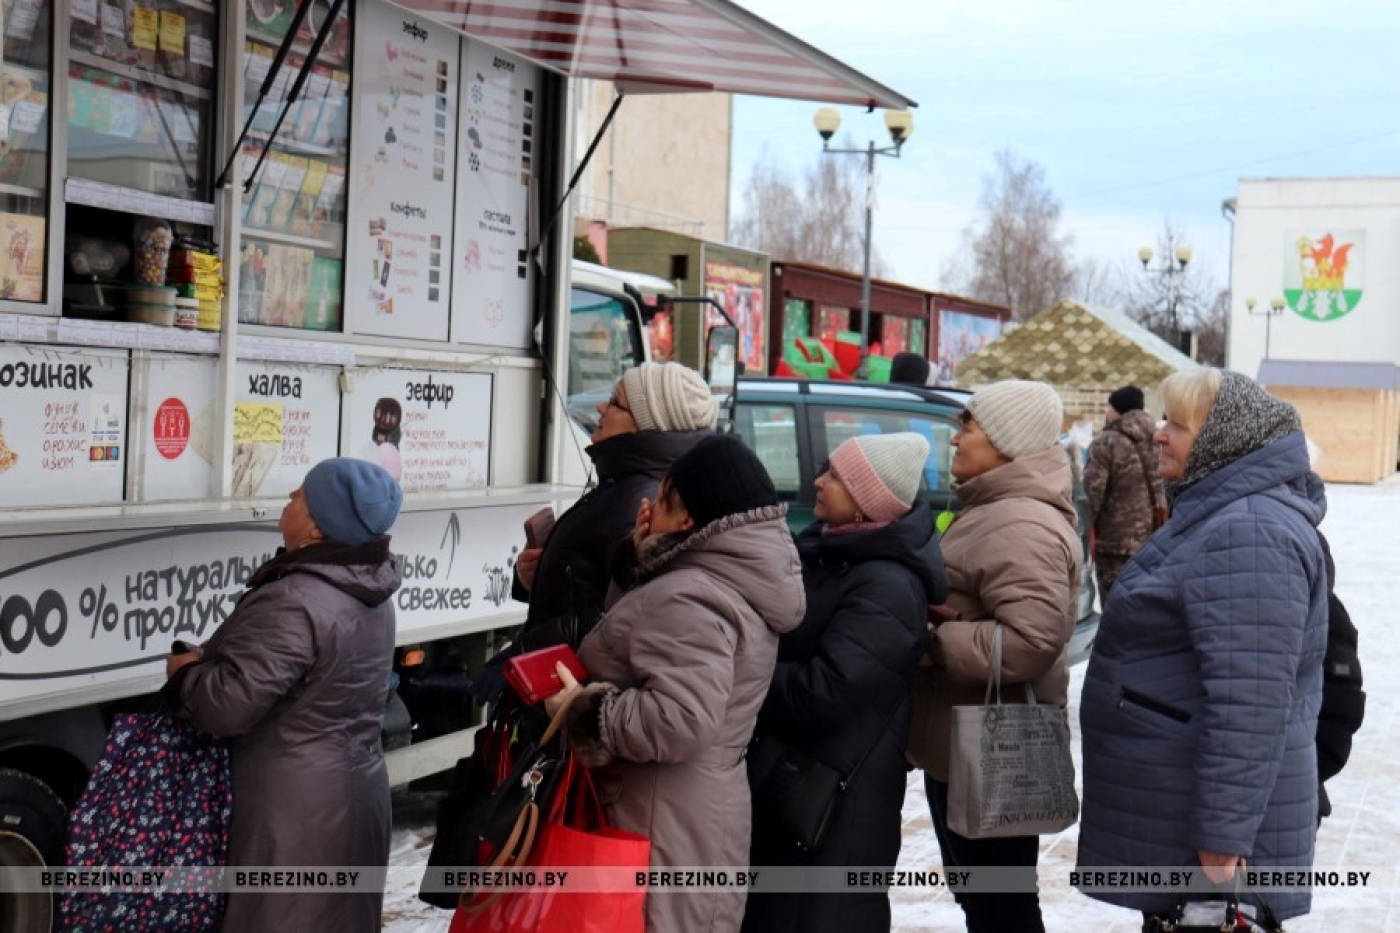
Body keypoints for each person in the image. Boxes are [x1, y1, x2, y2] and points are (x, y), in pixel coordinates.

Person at [1076, 369, 1328, 926]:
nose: (1159, 434)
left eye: (1177, 424)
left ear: (1221, 440)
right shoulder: (1223, 515)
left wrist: (1221, 839)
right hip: (1180, 813)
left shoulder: (1250, 531)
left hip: (1210, 847)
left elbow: (1250, 702)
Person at [547, 434, 805, 933]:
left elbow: (681, 719)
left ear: (688, 518)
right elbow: (652, 642)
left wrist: (583, 708)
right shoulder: (716, 576)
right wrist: (641, 558)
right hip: (682, 815)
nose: (647, 507)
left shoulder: (691, 596)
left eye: (661, 497)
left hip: (660, 828)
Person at [165, 458, 404, 932]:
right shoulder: (368, 590)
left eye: (300, 495)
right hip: (355, 794)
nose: (289, 499)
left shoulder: (296, 599)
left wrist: (185, 675)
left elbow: (229, 706)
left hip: (294, 815)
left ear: (317, 524)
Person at [742, 433, 949, 933]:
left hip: (834, 808)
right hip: (797, 790)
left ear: (866, 501)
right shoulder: (834, 555)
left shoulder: (888, 585)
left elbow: (824, 690)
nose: (817, 481)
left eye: (834, 475)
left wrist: (739, 679)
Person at [907, 379, 1081, 933]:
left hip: (994, 752)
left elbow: (1032, 641)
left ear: (1006, 442)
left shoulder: (1021, 523)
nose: (956, 439)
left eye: (969, 426)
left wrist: (934, 645)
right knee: (984, 905)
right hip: (962, 749)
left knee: (1001, 909)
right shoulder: (994, 508)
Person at [511, 361, 716, 652]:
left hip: (566, 681)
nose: (600, 408)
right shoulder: (628, 484)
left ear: (645, 425)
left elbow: (618, 625)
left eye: (615, 402)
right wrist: (539, 573)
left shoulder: (641, 502)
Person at [1081, 384, 1167, 596]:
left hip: (1115, 542)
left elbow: (1092, 493)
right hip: (1157, 537)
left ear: (1116, 410)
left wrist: (1082, 530)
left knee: (1115, 606)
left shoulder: (1106, 442)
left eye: (1108, 407)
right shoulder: (1160, 439)